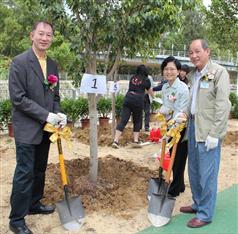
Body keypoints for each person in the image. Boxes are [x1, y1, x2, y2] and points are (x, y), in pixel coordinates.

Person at [8, 21, 67, 234]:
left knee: (40, 170)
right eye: (41, 34)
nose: (45, 38)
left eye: (49, 35)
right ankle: (16, 219)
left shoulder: (52, 65)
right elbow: (18, 98)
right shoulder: (19, 62)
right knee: (25, 172)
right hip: (26, 128)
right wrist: (46, 114)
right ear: (32, 35)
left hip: (46, 128)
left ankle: (33, 203)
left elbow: (55, 95)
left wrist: (58, 113)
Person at [180, 39, 231, 228]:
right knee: (193, 171)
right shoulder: (194, 75)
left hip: (209, 131)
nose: (193, 56)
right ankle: (198, 203)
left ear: (207, 51)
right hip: (193, 128)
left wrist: (215, 134)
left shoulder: (218, 73)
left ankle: (205, 213)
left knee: (207, 174)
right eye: (190, 52)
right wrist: (184, 113)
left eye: (197, 51)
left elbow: (222, 105)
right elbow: (192, 100)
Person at [158, 56, 189, 197]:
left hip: (181, 127)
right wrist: (163, 112)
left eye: (172, 69)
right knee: (173, 156)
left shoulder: (182, 88)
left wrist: (174, 128)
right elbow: (167, 106)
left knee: (179, 157)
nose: (169, 72)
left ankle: (175, 188)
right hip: (169, 126)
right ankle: (180, 184)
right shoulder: (165, 87)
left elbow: (182, 110)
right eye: (166, 69)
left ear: (178, 71)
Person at [112, 64, 153, 148]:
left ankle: (115, 141)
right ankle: (135, 140)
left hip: (128, 98)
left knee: (123, 120)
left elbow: (135, 88)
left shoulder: (132, 78)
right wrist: (154, 97)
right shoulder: (146, 80)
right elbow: (149, 92)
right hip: (138, 101)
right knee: (137, 121)